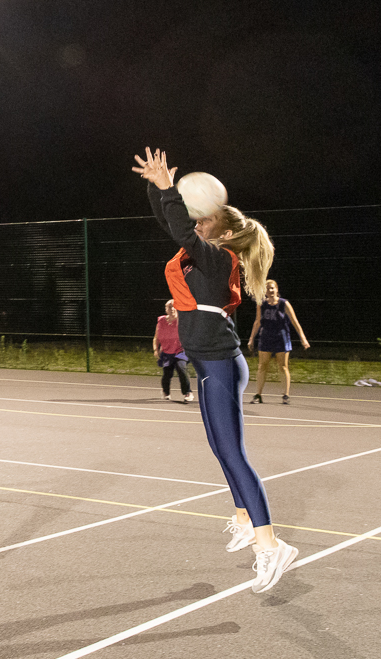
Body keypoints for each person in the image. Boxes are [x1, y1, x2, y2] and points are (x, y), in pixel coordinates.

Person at [133, 148, 297, 593]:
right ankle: (245, 518)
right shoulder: (203, 256)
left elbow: (183, 231)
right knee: (222, 451)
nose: (195, 224)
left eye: (204, 221)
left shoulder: (218, 258)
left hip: (220, 364)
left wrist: (170, 192)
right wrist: (157, 186)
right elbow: (174, 224)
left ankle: (271, 546)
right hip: (211, 362)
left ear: (222, 232)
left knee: (234, 454)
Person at [248, 279, 310, 405]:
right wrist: (251, 339)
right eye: (267, 288)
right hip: (266, 337)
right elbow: (257, 321)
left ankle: (285, 395)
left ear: (276, 289)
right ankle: (258, 394)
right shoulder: (261, 304)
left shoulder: (284, 304)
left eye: (272, 288)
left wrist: (303, 338)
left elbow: (294, 321)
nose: (270, 290)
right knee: (262, 366)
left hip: (281, 337)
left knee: (283, 366)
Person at [153, 299, 193, 403]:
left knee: (181, 368)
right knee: (167, 373)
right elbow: (156, 338)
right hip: (167, 352)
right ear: (166, 309)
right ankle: (166, 392)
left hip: (180, 351)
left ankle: (187, 392)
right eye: (169, 307)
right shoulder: (161, 321)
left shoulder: (181, 320)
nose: (172, 309)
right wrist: (155, 350)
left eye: (174, 306)